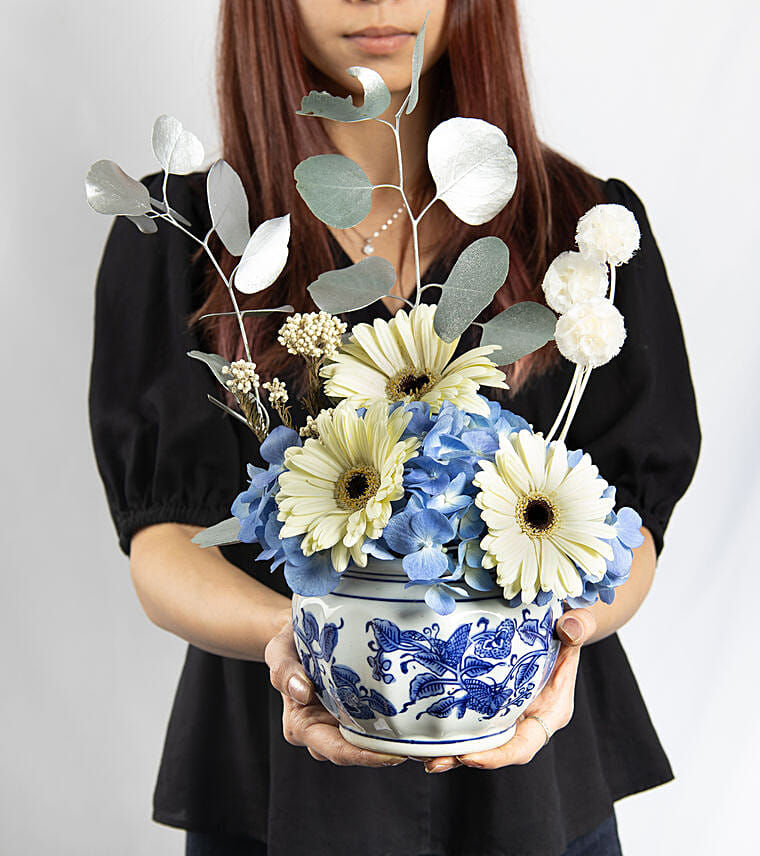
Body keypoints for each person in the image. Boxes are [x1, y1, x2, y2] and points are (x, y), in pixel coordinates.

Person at [88, 2, 701, 854]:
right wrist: (302, 646)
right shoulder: (185, 239)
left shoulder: (581, 234)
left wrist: (568, 642)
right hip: (274, 783)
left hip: (533, 778)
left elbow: (630, 521)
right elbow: (164, 541)